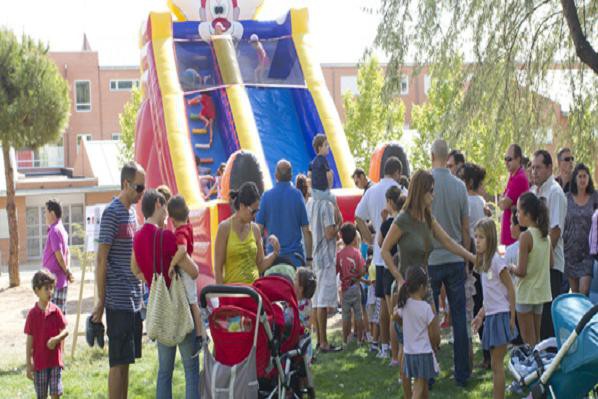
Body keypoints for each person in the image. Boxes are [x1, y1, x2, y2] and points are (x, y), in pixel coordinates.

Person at [131, 190, 201, 399]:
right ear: (159, 204)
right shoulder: (167, 237)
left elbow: (134, 269)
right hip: (180, 308)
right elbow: (193, 271)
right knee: (190, 369)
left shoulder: (138, 237)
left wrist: (153, 282)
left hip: (160, 308)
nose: (167, 214)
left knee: (164, 372)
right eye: (165, 208)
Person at [91, 161, 145, 399]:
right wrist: (101, 300)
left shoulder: (132, 213)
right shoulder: (111, 213)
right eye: (139, 188)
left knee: (126, 363)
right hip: (117, 299)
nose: (142, 193)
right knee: (117, 363)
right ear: (125, 184)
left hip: (134, 300)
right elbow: (101, 259)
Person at [427, 139, 471, 386]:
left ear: (433, 155)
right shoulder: (459, 187)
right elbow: (466, 228)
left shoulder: (425, 184)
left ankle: (429, 373)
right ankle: (462, 373)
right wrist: (465, 257)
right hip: (455, 257)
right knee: (459, 318)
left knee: (428, 318)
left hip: (432, 260)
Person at [355, 157, 404, 359]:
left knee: (383, 302)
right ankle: (397, 347)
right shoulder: (400, 190)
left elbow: (358, 215)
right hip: (397, 255)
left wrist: (369, 238)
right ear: (397, 172)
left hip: (379, 255)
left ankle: (384, 346)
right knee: (395, 303)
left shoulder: (372, 190)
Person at [471, 218, 517, 399]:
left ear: (490, 238)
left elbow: (511, 290)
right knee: (495, 365)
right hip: (491, 316)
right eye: (476, 237)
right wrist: (480, 315)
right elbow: (490, 297)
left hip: (501, 317)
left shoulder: (497, 261)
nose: (477, 241)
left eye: (481, 237)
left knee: (497, 364)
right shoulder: (485, 264)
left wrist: (512, 317)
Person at [530, 150, 567, 339]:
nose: (534, 172)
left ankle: (551, 363)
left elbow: (556, 231)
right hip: (535, 265)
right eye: (532, 167)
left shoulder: (555, 192)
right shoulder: (534, 192)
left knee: (547, 320)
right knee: (536, 317)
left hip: (550, 265)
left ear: (549, 168)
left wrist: (540, 256)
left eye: (538, 168)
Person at [509, 192, 552, 346]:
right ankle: (539, 369)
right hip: (540, 293)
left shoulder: (526, 236)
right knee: (537, 339)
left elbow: (521, 271)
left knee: (528, 341)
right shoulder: (545, 235)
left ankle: (534, 369)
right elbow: (551, 264)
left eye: (518, 211)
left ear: (527, 214)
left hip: (526, 294)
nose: (516, 215)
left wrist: (511, 267)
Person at [214, 182, 280, 284]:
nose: (255, 216)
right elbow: (218, 269)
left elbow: (260, 265)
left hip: (252, 293)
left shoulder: (255, 229)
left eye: (257, 211)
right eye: (253, 211)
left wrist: (275, 253)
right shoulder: (224, 228)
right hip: (231, 294)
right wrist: (220, 295)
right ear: (242, 206)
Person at [394, 267, 440, 399]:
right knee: (419, 386)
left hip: (409, 353)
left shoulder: (404, 305)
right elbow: (434, 334)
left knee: (423, 384)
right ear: (421, 286)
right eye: (426, 286)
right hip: (423, 353)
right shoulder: (426, 307)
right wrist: (435, 345)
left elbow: (394, 315)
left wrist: (402, 323)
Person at [256, 160, 313, 268]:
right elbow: (307, 231)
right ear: (291, 175)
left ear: (276, 175)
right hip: (295, 260)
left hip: (272, 259)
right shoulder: (297, 195)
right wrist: (309, 259)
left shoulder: (266, 196)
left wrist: (260, 258)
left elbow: (258, 229)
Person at [307, 187, 342, 353]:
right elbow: (330, 233)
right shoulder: (326, 204)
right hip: (326, 256)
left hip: (315, 255)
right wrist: (339, 225)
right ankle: (323, 342)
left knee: (316, 299)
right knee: (322, 301)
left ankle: (318, 339)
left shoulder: (310, 202)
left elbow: (307, 229)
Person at [167, 195, 205, 345]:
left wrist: (172, 264)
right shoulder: (188, 226)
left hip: (185, 271)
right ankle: (199, 331)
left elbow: (182, 249)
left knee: (192, 301)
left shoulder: (181, 232)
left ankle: (199, 333)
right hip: (188, 268)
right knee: (192, 300)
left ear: (172, 219)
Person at [25, 270, 69, 399]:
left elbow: (66, 330)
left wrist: (57, 339)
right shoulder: (32, 315)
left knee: (56, 393)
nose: (50, 292)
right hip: (39, 364)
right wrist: (28, 364)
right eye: (46, 289)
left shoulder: (56, 311)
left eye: (52, 288)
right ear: (37, 291)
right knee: (42, 396)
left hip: (55, 361)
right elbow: (29, 341)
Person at [378, 186, 406, 366]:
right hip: (403, 267)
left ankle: (395, 356)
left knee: (393, 315)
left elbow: (381, 243)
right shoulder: (406, 221)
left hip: (390, 270)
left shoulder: (388, 223)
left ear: (390, 202)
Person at [563, 164, 598, 296]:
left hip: (588, 252)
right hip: (570, 251)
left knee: (584, 291)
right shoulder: (567, 198)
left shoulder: (595, 197)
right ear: (575, 179)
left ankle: (585, 316)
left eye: (585, 176)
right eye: (580, 176)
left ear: (588, 178)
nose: (582, 179)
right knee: (576, 294)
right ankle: (578, 317)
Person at [337, 223, 367, 344]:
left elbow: (337, 270)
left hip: (344, 288)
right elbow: (361, 270)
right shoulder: (357, 253)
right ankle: (360, 339)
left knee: (345, 315)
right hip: (355, 286)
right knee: (358, 313)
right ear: (355, 237)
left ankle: (345, 340)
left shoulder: (339, 254)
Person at [42, 199, 73, 315]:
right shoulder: (62, 229)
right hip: (59, 280)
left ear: (52, 213)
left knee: (54, 317)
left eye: (46, 212)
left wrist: (67, 272)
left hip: (55, 283)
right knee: (59, 315)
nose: (45, 215)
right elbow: (67, 253)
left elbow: (60, 256)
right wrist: (67, 270)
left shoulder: (55, 230)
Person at [499, 144, 529, 246]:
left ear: (518, 159)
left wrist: (502, 200)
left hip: (515, 239)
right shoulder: (512, 177)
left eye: (509, 159)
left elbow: (504, 205)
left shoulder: (519, 178)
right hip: (510, 237)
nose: (506, 162)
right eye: (505, 159)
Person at [309, 134, 338, 207]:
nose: (328, 147)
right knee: (334, 199)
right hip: (323, 193)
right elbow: (328, 175)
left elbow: (309, 175)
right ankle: (339, 218)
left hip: (314, 193)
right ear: (320, 148)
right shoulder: (323, 160)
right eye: (326, 145)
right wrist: (329, 187)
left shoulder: (312, 162)